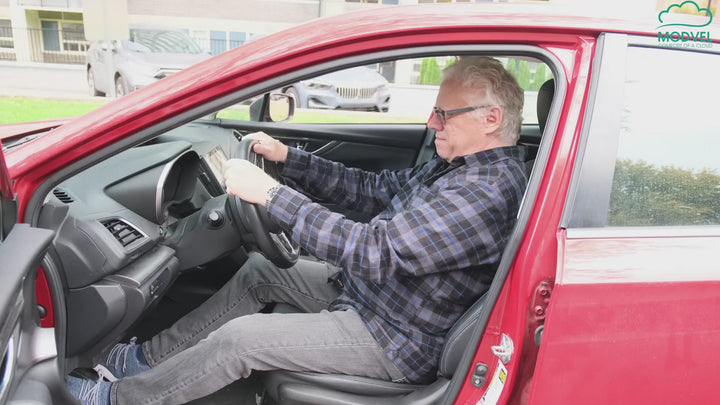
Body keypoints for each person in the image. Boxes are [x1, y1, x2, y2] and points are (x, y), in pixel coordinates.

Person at [67, 56, 529, 405]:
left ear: (491, 119)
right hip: (377, 299)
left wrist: (271, 196)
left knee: (241, 339)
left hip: (394, 338)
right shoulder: (457, 171)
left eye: (443, 115)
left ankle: (118, 398)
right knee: (259, 269)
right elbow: (373, 190)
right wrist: (291, 160)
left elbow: (375, 252)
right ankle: (143, 360)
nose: (431, 123)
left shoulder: (485, 192)